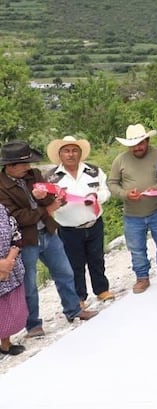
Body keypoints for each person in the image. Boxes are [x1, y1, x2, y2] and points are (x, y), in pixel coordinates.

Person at [0, 141, 98, 336]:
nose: (28, 167)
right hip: (25, 240)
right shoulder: (1, 186)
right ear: (10, 165)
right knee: (29, 284)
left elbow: (50, 199)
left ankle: (74, 310)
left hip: (48, 231)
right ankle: (33, 324)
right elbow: (15, 217)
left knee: (65, 272)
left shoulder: (34, 175)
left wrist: (42, 198)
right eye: (24, 164)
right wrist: (47, 209)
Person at [46, 135, 113, 305]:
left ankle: (102, 290)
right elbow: (45, 202)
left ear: (80, 153)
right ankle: (79, 297)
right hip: (69, 228)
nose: (71, 154)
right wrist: (56, 203)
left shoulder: (94, 171)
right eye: (66, 151)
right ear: (60, 154)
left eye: (74, 150)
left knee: (97, 258)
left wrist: (97, 196)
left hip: (94, 223)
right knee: (74, 263)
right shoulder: (51, 178)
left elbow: (106, 191)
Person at [109, 124, 157, 294]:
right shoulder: (120, 160)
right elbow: (112, 183)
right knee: (137, 249)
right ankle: (142, 278)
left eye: (140, 143)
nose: (137, 147)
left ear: (147, 140)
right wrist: (125, 194)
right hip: (132, 214)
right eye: (133, 145)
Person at [0, 203, 27, 356]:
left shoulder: (2, 209)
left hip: (10, 266)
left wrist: (9, 261)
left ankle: (5, 344)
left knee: (7, 307)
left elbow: (16, 235)